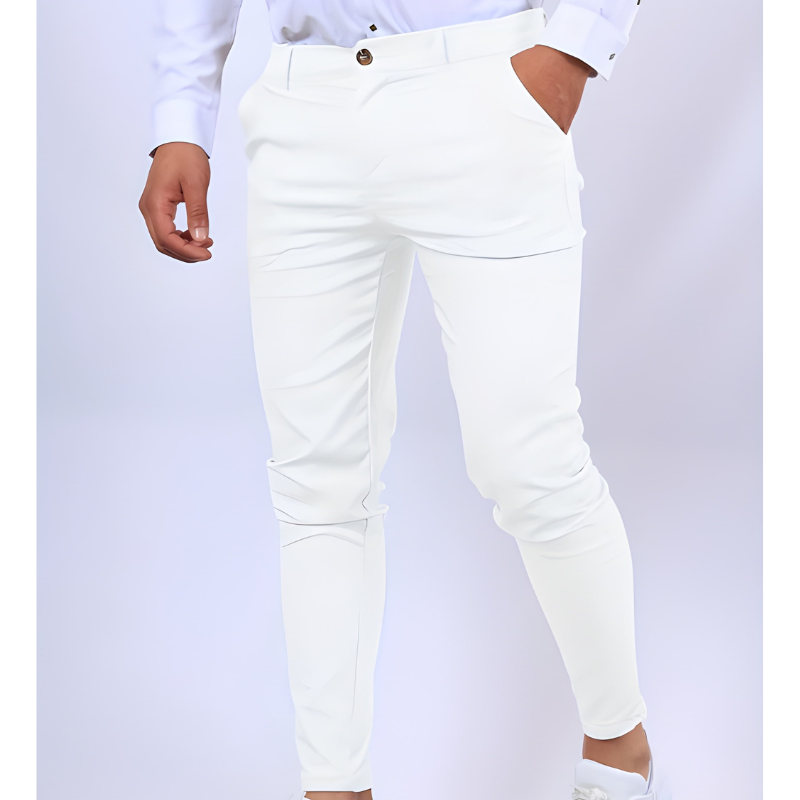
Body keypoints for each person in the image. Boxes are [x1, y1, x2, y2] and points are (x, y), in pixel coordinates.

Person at [139, 3, 670, 799]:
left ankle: (618, 746)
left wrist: (570, 54)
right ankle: (334, 785)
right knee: (318, 482)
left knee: (530, 461)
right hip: (305, 109)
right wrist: (181, 117)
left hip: (488, 90)